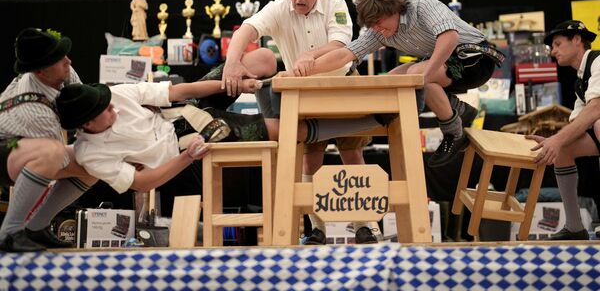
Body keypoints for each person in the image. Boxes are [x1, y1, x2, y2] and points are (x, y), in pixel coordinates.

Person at [221, 0, 378, 245]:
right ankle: (316, 228)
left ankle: (363, 225)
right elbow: (247, 28)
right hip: (303, 94)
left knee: (352, 155)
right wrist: (232, 62)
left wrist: (311, 55)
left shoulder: (335, 3)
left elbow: (341, 44)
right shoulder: (280, 6)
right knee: (310, 160)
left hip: (342, 85)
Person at [287, 0, 504, 168]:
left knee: (414, 74)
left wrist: (422, 78)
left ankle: (454, 132)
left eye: (379, 23)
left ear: (393, 10)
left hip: (477, 59)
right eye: (373, 26)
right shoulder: (379, 30)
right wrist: (302, 70)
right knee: (390, 83)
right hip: (444, 65)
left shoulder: (421, 3)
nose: (377, 29)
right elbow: (345, 54)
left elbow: (449, 37)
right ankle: (457, 109)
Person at [55, 80, 388, 199]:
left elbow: (177, 91)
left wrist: (231, 84)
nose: (111, 105)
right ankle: (371, 121)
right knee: (288, 132)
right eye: (104, 109)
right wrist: (187, 158)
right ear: (86, 123)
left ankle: (360, 114)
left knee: (261, 62)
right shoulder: (89, 154)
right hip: (187, 146)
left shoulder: (116, 93)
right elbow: (143, 183)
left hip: (183, 113)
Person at [0, 28, 96, 252]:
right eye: (59, 58)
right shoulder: (33, 111)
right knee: (51, 152)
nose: (68, 60)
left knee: (94, 160)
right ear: (41, 71)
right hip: (5, 149)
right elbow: (58, 161)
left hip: (22, 149)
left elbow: (84, 107)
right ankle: (10, 232)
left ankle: (37, 227)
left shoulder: (63, 71)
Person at [526, 20, 599, 240]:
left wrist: (557, 140)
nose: (553, 51)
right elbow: (578, 124)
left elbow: (595, 109)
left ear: (577, 39)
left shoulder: (598, 61)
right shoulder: (580, 80)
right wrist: (555, 141)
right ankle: (575, 227)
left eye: (557, 44)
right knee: (564, 149)